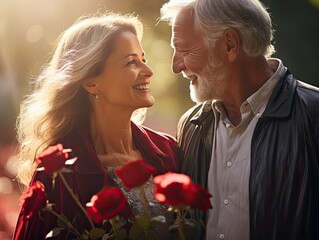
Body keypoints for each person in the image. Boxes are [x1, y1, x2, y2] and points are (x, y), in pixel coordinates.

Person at [160, 0, 319, 239]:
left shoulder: (313, 116)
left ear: (230, 45)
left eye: (184, 50)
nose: (175, 66)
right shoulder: (192, 125)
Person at [13, 13, 178, 240]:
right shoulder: (59, 176)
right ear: (91, 82)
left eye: (144, 59)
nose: (148, 71)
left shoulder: (169, 150)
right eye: (131, 62)